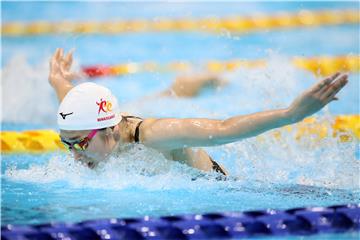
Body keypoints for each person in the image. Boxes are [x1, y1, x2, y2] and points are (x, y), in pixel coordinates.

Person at [49, 48, 348, 176]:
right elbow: (72, 100)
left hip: (216, 183)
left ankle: (200, 81)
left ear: (111, 128)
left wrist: (291, 114)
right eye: (68, 143)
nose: (74, 154)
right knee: (166, 94)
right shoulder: (86, 124)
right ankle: (185, 84)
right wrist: (58, 80)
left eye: (81, 143)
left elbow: (221, 130)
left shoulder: (153, 136)